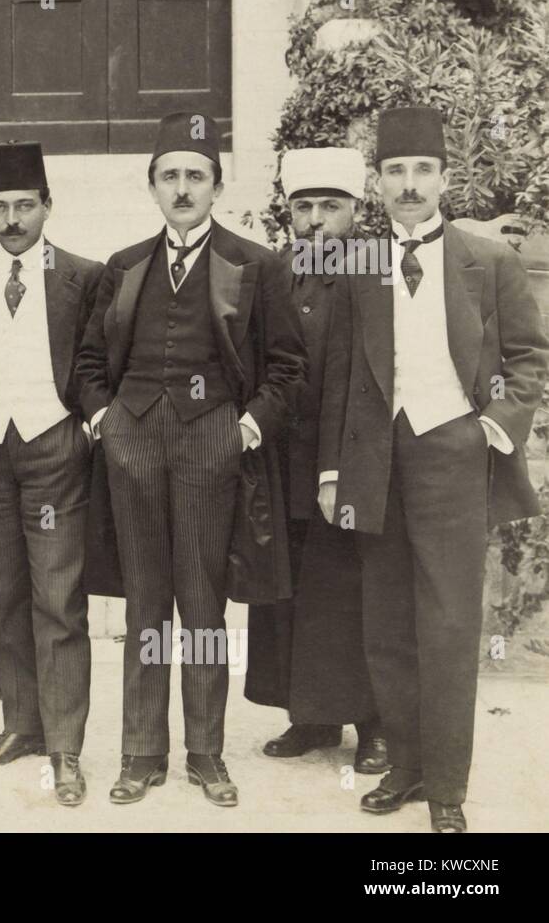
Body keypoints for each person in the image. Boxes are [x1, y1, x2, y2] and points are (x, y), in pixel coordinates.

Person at [318, 106, 549, 833]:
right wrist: (331, 471)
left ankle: (447, 786)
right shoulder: (355, 261)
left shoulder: (490, 259)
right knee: (386, 624)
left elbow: (529, 359)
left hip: (454, 457)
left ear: (446, 179)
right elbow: (338, 375)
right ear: (377, 182)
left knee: (448, 626)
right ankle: (408, 766)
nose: (409, 185)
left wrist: (491, 427)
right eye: (395, 172)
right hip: (375, 461)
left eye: (422, 171)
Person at [75, 112, 306, 808]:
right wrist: (103, 420)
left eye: (195, 176)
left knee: (202, 605)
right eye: (170, 176)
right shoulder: (123, 266)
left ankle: (206, 753)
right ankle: (142, 752)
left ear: (216, 186)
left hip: (214, 442)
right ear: (152, 186)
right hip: (133, 443)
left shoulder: (255, 263)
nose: (182, 189)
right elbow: (89, 362)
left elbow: (287, 367)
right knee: (146, 604)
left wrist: (247, 429)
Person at [0, 141, 104, 806]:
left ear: (47, 206)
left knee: (59, 599)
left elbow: (98, 362)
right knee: (6, 592)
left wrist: (88, 423)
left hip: (54, 449)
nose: (11, 218)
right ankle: (21, 723)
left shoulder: (85, 277)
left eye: (23, 206)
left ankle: (65, 746)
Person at [244, 147, 386, 775]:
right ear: (288, 213)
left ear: (356, 210)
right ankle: (310, 717)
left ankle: (374, 724)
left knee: (351, 593)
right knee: (288, 589)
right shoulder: (272, 272)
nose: (317, 221)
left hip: (347, 461)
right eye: (304, 207)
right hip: (280, 464)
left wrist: (339, 466)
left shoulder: (371, 276)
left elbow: (364, 380)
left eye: (331, 206)